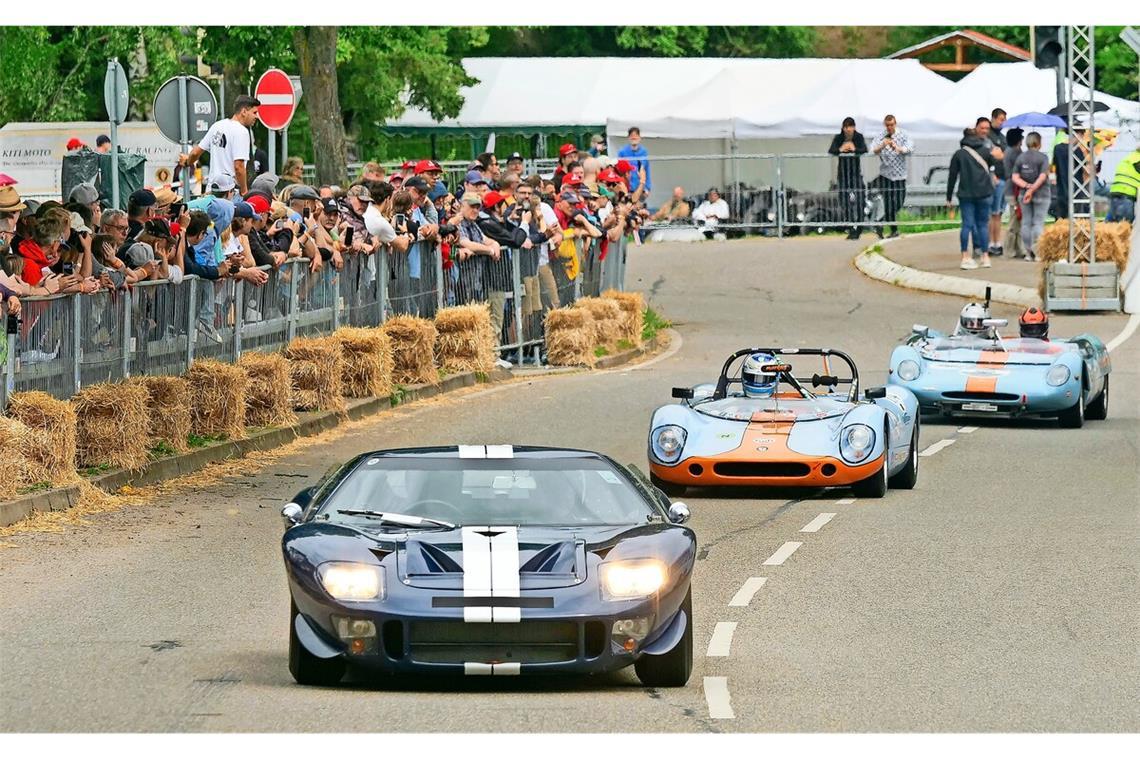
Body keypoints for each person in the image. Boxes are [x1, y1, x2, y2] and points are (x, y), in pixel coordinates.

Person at [178, 94, 260, 194]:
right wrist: (244, 191)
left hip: (212, 189)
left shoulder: (217, 126)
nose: (257, 117)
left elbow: (195, 153)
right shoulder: (242, 132)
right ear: (244, 112)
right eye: (254, 112)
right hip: (229, 192)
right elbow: (238, 166)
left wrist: (187, 162)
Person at [946, 127, 996, 269]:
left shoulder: (959, 154)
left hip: (966, 194)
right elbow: (993, 166)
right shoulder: (986, 152)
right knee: (982, 225)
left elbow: (952, 177)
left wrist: (948, 197)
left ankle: (965, 256)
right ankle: (985, 257)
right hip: (984, 193)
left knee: (967, 224)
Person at [869, 114, 913, 239]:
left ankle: (880, 222)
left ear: (895, 124)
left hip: (900, 175)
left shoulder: (903, 135)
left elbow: (910, 147)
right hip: (886, 175)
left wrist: (898, 148)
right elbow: (872, 150)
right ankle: (894, 230)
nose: (889, 127)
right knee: (888, 203)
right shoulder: (881, 136)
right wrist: (882, 145)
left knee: (898, 203)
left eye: (891, 125)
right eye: (887, 125)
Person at [1010, 132, 1051, 263]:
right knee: (1038, 222)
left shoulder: (1021, 158)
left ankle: (1028, 253)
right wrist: (1033, 188)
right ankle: (1038, 252)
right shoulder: (1043, 157)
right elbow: (1043, 176)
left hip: (1023, 195)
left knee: (1026, 223)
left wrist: (1027, 187)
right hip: (1042, 194)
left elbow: (1015, 177)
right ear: (1039, 142)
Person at [828, 117, 868, 240]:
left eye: (850, 127)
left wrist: (853, 149)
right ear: (843, 128)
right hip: (843, 175)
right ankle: (851, 228)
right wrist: (841, 149)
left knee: (860, 200)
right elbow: (831, 150)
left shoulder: (859, 137)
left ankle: (860, 226)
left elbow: (864, 149)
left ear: (854, 127)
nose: (848, 129)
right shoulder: (839, 138)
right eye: (845, 127)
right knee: (844, 201)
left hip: (855, 174)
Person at [978, 110, 1008, 256]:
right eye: (1001, 119)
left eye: (1004, 120)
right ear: (993, 118)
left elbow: (1004, 155)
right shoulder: (988, 137)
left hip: (1004, 178)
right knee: (993, 213)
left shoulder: (1002, 137)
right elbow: (991, 156)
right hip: (994, 179)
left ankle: (997, 241)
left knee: (999, 212)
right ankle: (991, 242)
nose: (1003, 122)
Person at [1002, 128, 1026, 258]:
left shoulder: (1008, 151)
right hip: (1015, 190)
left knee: (1017, 219)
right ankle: (1009, 249)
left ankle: (1017, 248)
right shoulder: (1015, 153)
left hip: (1010, 189)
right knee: (1014, 220)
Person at [1106, 146, 1140, 224]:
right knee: (1124, 228)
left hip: (1115, 194)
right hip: (1126, 197)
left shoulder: (1131, 157)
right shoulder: (1138, 160)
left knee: (1110, 227)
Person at [617, 127, 650, 202]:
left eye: (636, 135)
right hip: (626, 187)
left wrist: (647, 187)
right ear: (628, 138)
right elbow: (619, 171)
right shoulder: (622, 152)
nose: (634, 137)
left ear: (639, 137)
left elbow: (646, 170)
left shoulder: (644, 152)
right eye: (632, 135)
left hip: (640, 187)